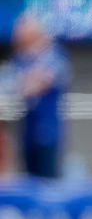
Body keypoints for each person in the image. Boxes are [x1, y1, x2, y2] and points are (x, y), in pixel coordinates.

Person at [7, 13, 70, 178]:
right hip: (27, 132)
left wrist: (26, 82)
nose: (16, 36)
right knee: (29, 180)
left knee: (47, 185)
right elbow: (12, 84)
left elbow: (35, 85)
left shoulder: (54, 55)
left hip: (47, 133)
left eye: (21, 31)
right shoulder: (20, 58)